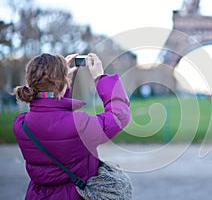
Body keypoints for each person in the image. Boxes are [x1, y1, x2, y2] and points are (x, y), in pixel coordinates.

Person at [12, 53, 131, 199]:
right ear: (61, 83)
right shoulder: (79, 125)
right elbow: (119, 115)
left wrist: (60, 82)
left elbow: (51, 112)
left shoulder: (21, 125)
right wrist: (100, 77)